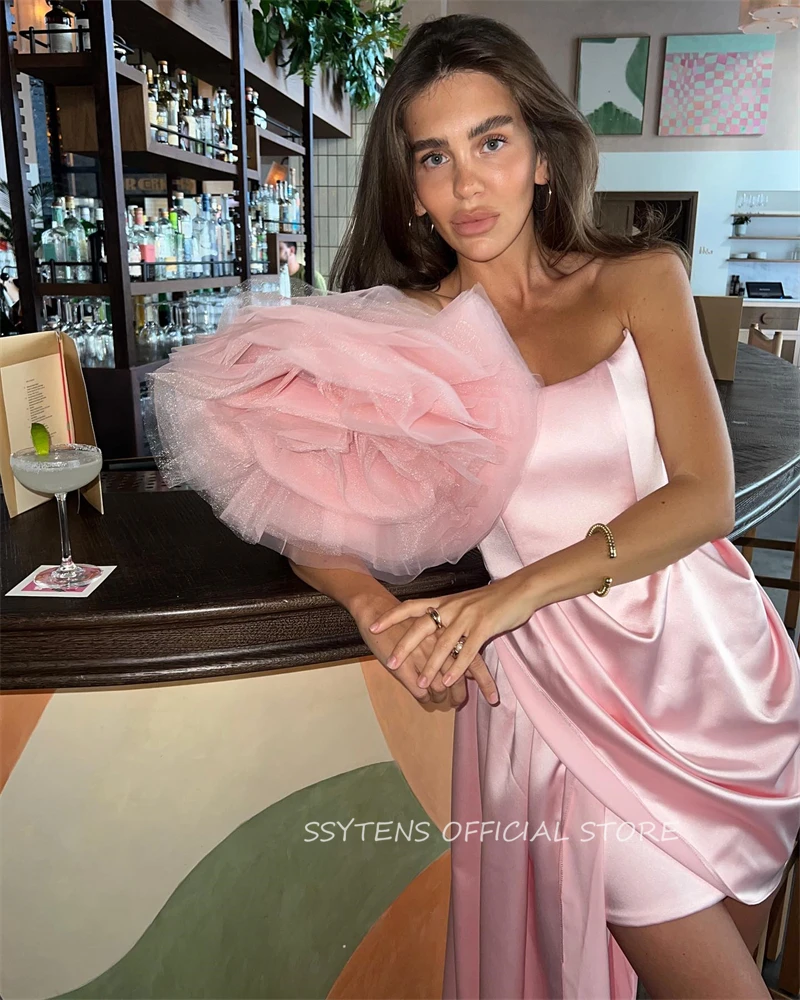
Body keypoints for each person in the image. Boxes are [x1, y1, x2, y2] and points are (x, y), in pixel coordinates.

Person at [149, 14, 800, 1000]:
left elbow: (703, 495)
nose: (465, 184)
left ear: (540, 155)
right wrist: (372, 608)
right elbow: (289, 499)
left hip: (718, 678)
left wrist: (507, 596)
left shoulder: (638, 279)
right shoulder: (409, 337)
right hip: (561, 716)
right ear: (409, 189)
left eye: (490, 142)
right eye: (433, 157)